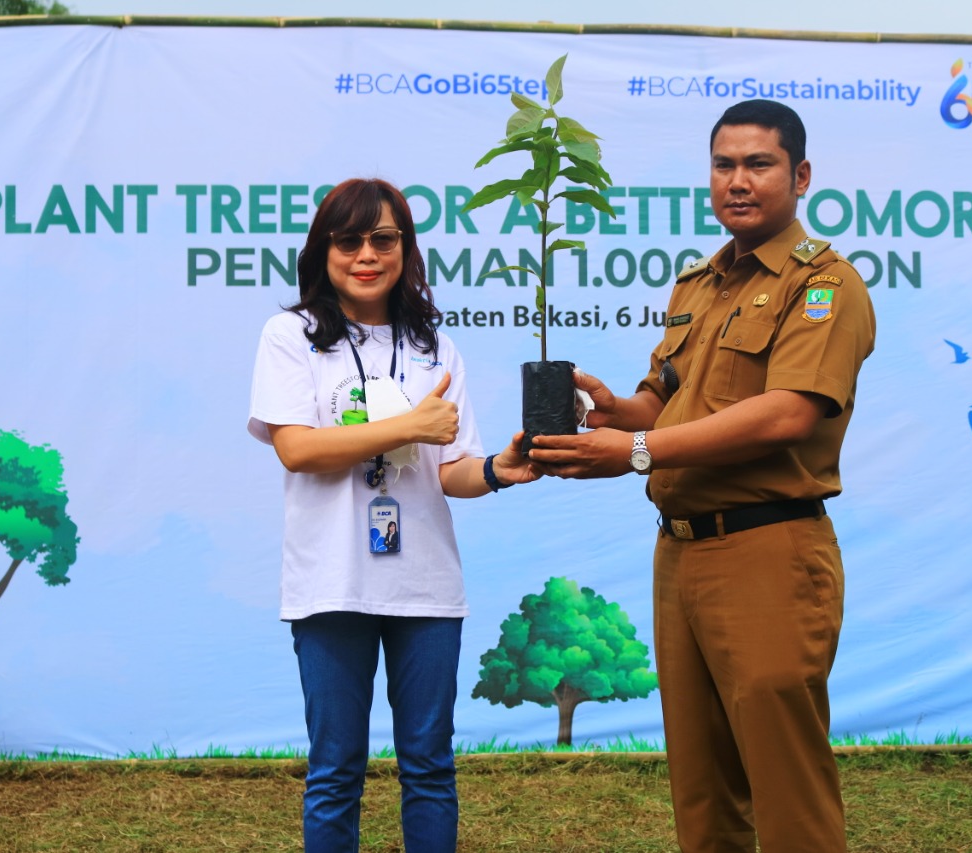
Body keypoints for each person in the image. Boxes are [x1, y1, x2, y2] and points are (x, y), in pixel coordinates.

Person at [530, 100, 876, 852]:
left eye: (759, 164)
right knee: (701, 783)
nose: (738, 181)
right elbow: (665, 396)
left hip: (768, 550)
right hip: (680, 553)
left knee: (787, 788)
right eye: (724, 165)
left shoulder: (824, 285)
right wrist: (614, 409)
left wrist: (639, 450)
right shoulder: (700, 283)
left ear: (801, 175)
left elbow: (789, 412)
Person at [248, 177, 538, 853]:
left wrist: (499, 469)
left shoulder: (434, 346)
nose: (366, 254)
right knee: (335, 771)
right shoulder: (291, 335)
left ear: (405, 248)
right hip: (331, 583)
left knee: (431, 768)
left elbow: (453, 471)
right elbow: (297, 449)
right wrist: (410, 425)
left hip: (426, 586)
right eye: (348, 240)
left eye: (383, 238)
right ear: (323, 249)